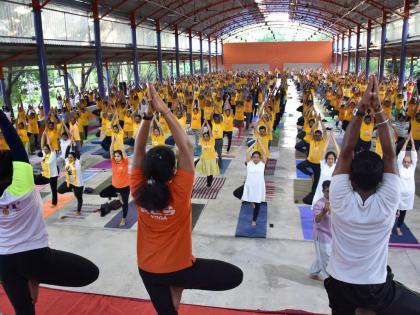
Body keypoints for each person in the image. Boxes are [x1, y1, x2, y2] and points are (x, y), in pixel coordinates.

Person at [130, 84, 243, 315]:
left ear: (145, 171)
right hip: (179, 269)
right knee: (234, 276)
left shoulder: (138, 189)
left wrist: (148, 116)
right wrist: (163, 111)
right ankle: (177, 286)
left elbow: (138, 148)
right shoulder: (180, 191)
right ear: (173, 172)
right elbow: (187, 145)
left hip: (148, 270)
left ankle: (175, 290)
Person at [324, 75, 420, 314]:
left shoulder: (338, 196)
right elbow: (389, 152)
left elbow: (345, 151)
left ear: (351, 179)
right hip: (373, 287)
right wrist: (378, 109)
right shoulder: (389, 199)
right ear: (381, 180)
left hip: (338, 282)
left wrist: (361, 108)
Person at [0, 110, 99, 315]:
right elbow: (13, 138)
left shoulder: (20, 181)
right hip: (35, 257)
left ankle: (32, 276)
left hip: (4, 261)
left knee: (24, 312)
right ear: (15, 169)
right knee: (90, 272)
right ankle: (34, 275)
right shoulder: (23, 183)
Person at [99, 135, 130, 226]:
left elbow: (123, 150)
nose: (116, 157)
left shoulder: (125, 162)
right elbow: (111, 151)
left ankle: (123, 219)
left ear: (121, 157)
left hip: (124, 187)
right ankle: (117, 194)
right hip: (115, 186)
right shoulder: (113, 162)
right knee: (102, 193)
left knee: (125, 204)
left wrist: (119, 141)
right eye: (115, 156)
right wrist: (113, 141)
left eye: (118, 156)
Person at [241, 139, 267, 227]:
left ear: (260, 158)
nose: (256, 158)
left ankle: (254, 220)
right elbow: (247, 151)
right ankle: (251, 201)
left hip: (259, 187)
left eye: (257, 157)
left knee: (258, 204)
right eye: (254, 157)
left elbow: (264, 152)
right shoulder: (249, 163)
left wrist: (260, 144)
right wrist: (254, 143)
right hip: (249, 186)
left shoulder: (262, 164)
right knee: (237, 193)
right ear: (252, 158)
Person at [311, 131, 340, 210]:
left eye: (332, 159)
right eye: (329, 159)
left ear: (334, 160)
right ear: (326, 159)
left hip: (332, 189)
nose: (330, 160)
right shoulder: (323, 165)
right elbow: (324, 151)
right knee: (318, 207)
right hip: (321, 189)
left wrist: (333, 139)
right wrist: (328, 140)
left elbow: (339, 153)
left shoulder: (336, 165)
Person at [310, 180, 332, 281]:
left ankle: (313, 272)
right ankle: (329, 280)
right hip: (321, 235)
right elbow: (316, 220)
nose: (330, 193)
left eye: (332, 190)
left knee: (321, 256)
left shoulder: (337, 202)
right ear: (323, 191)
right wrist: (324, 211)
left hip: (333, 235)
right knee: (326, 257)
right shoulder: (319, 204)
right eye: (327, 191)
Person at [396, 135, 417, 236]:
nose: (406, 163)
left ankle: (398, 227)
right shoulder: (400, 167)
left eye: (408, 162)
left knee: (403, 213)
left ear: (411, 163)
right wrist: (407, 141)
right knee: (393, 213)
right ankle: (389, 227)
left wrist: (413, 143)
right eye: (405, 162)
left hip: (408, 196)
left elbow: (414, 155)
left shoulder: (412, 168)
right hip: (399, 195)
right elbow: (401, 154)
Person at [34, 131, 59, 207]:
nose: (44, 150)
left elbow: (49, 144)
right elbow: (42, 145)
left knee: (53, 189)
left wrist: (47, 135)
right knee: (36, 180)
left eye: (46, 149)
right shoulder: (45, 154)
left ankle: (54, 203)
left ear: (49, 149)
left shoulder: (53, 154)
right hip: (45, 174)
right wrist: (43, 134)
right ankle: (47, 181)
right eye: (44, 149)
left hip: (53, 175)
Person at [57, 149, 84, 215]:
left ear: (75, 158)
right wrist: (69, 145)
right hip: (69, 182)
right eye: (69, 157)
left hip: (78, 184)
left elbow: (77, 153)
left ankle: (78, 211)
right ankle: (73, 189)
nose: (69, 158)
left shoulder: (78, 162)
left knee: (79, 198)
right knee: (59, 190)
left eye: (71, 157)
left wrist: (75, 145)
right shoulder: (67, 161)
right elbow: (66, 153)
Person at [195, 120, 220, 188]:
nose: (205, 137)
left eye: (207, 136)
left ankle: (209, 184)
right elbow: (201, 132)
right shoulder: (202, 141)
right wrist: (203, 123)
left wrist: (207, 124)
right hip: (204, 159)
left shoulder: (212, 141)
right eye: (204, 136)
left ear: (209, 137)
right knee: (194, 165)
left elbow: (210, 131)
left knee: (210, 173)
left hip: (211, 159)